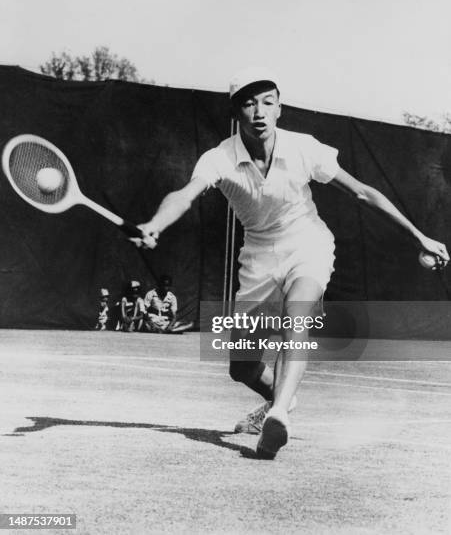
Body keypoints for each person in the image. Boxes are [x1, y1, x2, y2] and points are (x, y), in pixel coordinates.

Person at [131, 67, 449, 459]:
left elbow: (363, 194)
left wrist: (419, 235)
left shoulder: (304, 147)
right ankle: (277, 399)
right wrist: (155, 224)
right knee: (242, 368)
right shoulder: (220, 158)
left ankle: (278, 413)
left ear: (280, 108)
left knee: (297, 316)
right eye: (248, 103)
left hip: (307, 243)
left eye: (268, 101)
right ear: (236, 113)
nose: (259, 111)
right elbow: (185, 194)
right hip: (258, 259)